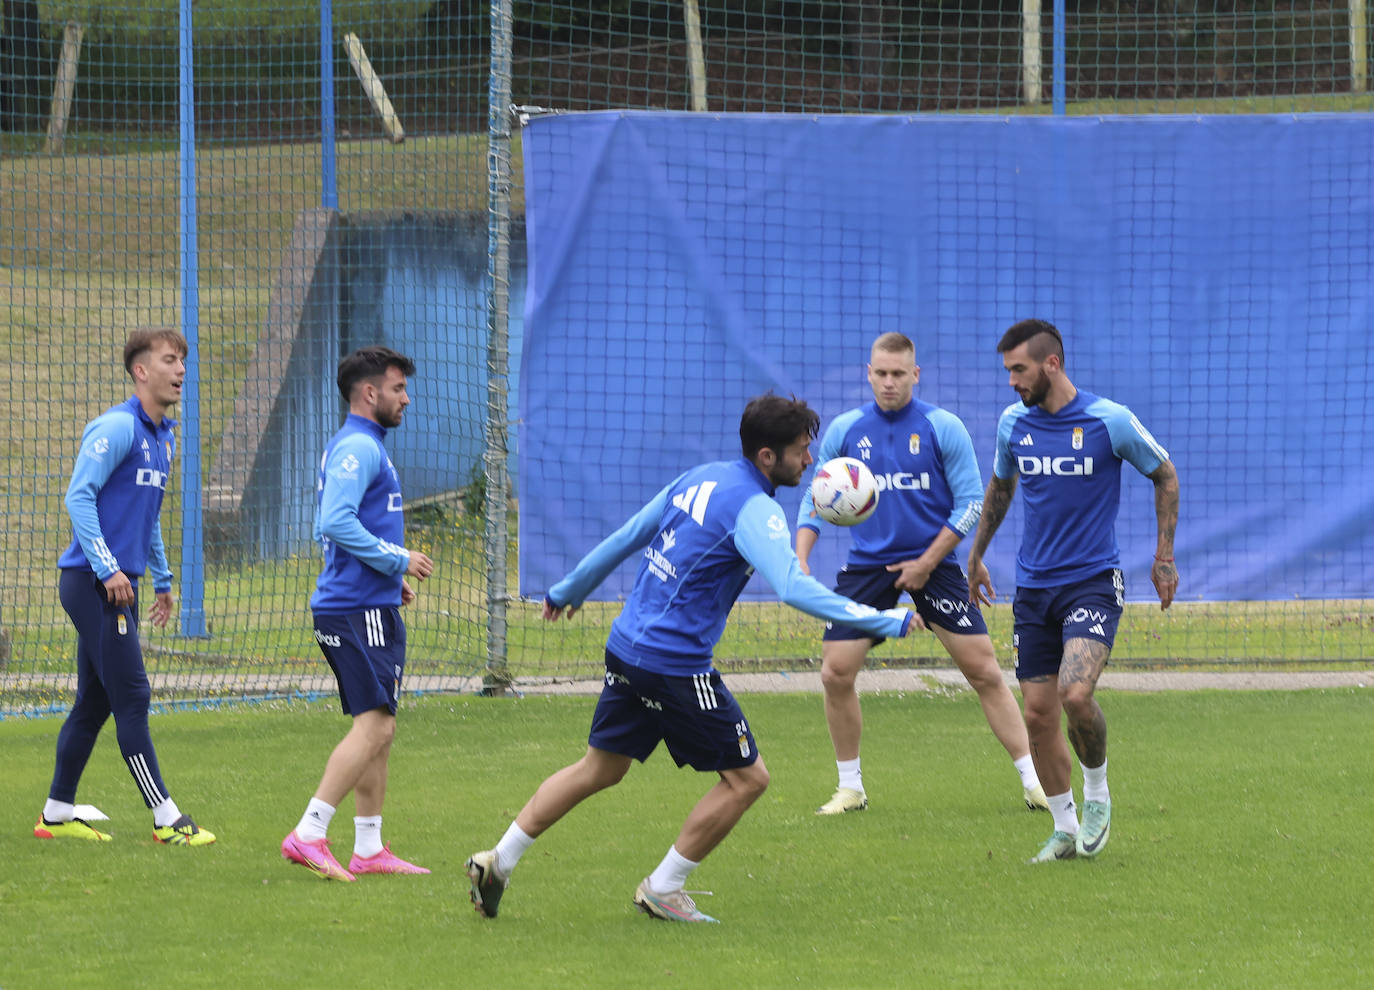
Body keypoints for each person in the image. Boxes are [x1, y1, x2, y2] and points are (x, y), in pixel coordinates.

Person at [465, 393, 916, 924]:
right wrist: (887, 619)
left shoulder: (700, 476)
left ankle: (499, 859)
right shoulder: (756, 508)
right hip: (674, 664)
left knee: (601, 767)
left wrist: (569, 588)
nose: (810, 461)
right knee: (748, 779)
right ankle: (664, 887)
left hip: (628, 646)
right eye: (800, 451)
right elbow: (792, 586)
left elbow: (631, 534)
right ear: (767, 457)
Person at [797, 332, 1047, 816]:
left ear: (915, 375)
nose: (889, 383)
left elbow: (972, 502)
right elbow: (816, 498)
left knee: (984, 672)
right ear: (867, 374)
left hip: (934, 565)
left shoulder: (941, 426)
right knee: (835, 672)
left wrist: (928, 562)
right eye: (881, 374)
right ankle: (851, 788)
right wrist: (801, 558)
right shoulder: (846, 431)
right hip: (868, 569)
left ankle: (1034, 781)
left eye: (899, 374)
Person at [965, 318, 1179, 863]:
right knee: (1037, 714)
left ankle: (1098, 796)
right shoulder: (1013, 423)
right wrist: (976, 555)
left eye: (1019, 369)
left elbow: (1165, 474)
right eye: (1008, 370)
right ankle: (1064, 829)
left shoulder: (1110, 420)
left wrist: (1164, 556)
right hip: (1033, 590)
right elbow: (1000, 487)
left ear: (1051, 364)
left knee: (1075, 695)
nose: (1012, 381)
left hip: (1092, 583)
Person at [36, 328, 215, 846]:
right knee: (133, 694)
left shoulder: (165, 436)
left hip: (119, 583)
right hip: (93, 583)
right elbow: (78, 497)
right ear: (141, 372)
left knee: (94, 704)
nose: (181, 369)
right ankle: (166, 820)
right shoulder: (115, 428)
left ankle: (56, 813)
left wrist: (161, 578)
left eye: (183, 360)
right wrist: (109, 568)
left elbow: (147, 516)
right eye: (169, 360)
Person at [280, 346, 436, 881]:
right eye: (398, 389)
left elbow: (355, 526)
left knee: (381, 729)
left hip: (370, 603)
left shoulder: (365, 446)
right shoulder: (358, 447)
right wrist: (397, 560)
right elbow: (335, 521)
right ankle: (308, 834)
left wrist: (389, 580)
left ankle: (368, 849)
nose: (405, 398)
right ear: (370, 393)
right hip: (352, 611)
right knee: (373, 727)